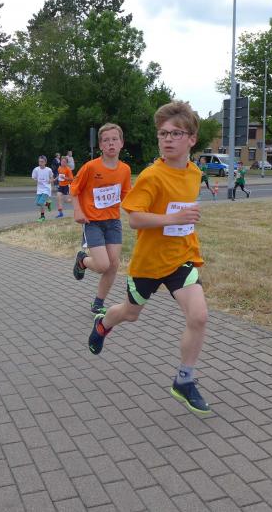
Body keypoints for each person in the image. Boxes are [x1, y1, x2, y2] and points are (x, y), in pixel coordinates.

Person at [86, 100, 212, 415]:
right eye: (163, 133)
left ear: (191, 139)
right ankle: (104, 323)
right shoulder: (151, 176)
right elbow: (135, 219)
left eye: (175, 133)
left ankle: (184, 380)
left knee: (198, 316)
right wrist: (173, 218)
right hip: (148, 263)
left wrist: (184, 220)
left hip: (181, 257)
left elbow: (182, 210)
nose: (167, 139)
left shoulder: (194, 173)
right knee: (130, 313)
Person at [71, 123, 133, 315]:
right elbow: (74, 189)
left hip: (113, 222)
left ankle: (98, 303)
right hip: (92, 222)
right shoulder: (91, 167)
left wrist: (138, 212)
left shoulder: (125, 169)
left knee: (113, 265)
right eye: (106, 140)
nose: (111, 143)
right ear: (100, 145)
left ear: (121, 143)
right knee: (102, 265)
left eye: (115, 139)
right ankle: (83, 260)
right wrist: (78, 211)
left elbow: (126, 195)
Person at [31, 156, 54, 221]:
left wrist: (50, 180)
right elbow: (33, 177)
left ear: (45, 162)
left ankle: (42, 217)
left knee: (41, 203)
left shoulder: (49, 170)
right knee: (37, 203)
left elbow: (52, 178)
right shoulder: (36, 169)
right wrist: (37, 180)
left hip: (46, 189)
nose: (40, 163)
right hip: (39, 189)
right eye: (39, 161)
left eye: (42, 162)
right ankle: (48, 204)